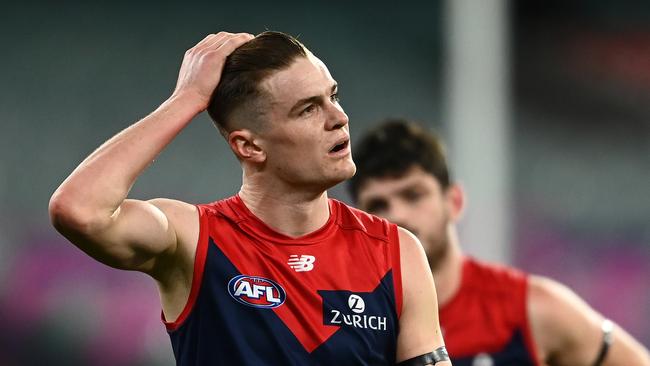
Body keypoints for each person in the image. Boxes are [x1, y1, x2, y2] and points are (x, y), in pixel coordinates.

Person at [48, 32, 451, 365]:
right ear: (249, 146)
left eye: (334, 96)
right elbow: (78, 210)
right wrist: (186, 99)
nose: (338, 117)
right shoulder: (192, 239)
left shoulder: (394, 251)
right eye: (309, 109)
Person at [349, 119, 650, 366]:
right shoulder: (347, 323)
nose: (397, 216)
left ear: (454, 201)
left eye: (413, 195)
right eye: (377, 205)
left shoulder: (532, 309)